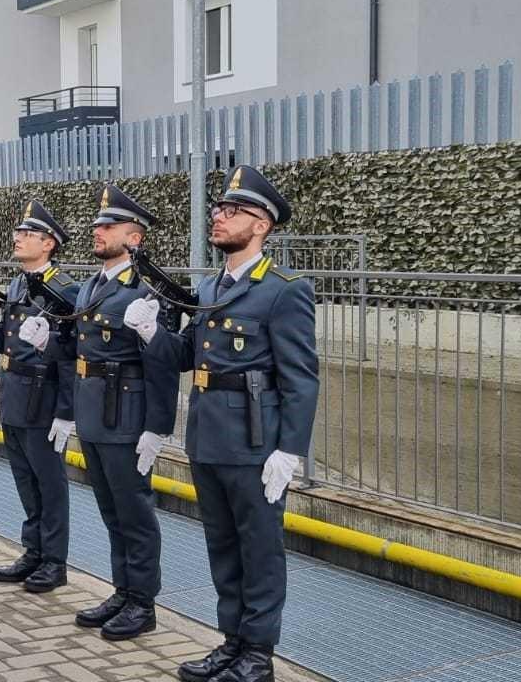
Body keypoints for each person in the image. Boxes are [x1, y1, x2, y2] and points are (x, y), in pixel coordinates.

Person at [134, 165, 319, 682]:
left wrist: (290, 450)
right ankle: (231, 642)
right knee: (222, 547)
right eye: (219, 208)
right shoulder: (214, 284)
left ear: (261, 225)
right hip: (209, 437)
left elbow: (301, 378)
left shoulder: (284, 290)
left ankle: (258, 655)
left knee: (259, 550)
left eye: (233, 211)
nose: (219, 216)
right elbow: (187, 357)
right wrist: (152, 333)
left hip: (256, 444)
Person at [68, 183, 181, 642]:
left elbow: (165, 365)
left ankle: (143, 602)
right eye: (98, 224)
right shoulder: (90, 286)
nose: (98, 230)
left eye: (109, 225)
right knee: (111, 509)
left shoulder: (150, 290)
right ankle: (123, 589)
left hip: (127, 414)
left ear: (135, 238)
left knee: (134, 512)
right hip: (93, 411)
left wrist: (157, 427)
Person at [0, 200, 79, 593]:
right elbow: (6, 342)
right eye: (19, 233)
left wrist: (65, 412)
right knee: (25, 480)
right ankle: (33, 550)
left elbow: (70, 355)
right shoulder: (16, 285)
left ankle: (54, 561)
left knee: (50, 484)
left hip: (44, 398)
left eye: (28, 234)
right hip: (14, 395)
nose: (18, 238)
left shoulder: (64, 290)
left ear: (48, 244)